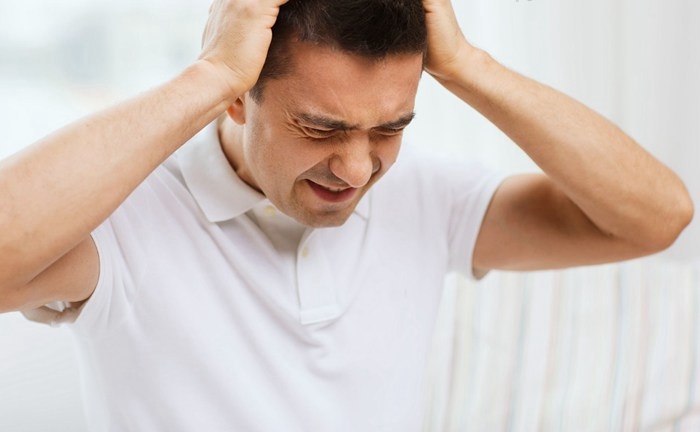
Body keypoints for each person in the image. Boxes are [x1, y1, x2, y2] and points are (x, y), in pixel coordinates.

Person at [0, 0, 693, 430]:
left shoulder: (426, 195)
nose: (358, 171)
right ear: (239, 99)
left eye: (389, 128)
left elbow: (655, 219)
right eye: (320, 129)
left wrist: (469, 65)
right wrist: (209, 75)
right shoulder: (126, 217)